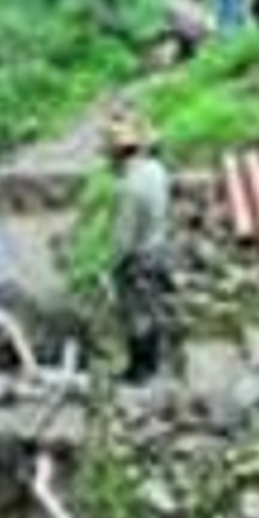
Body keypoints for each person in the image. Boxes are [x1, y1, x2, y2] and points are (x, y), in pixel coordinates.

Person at [104, 110, 173, 380]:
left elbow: (123, 239)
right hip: (158, 247)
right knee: (152, 309)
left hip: (138, 258)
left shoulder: (129, 188)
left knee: (135, 315)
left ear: (118, 156)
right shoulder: (156, 171)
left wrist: (110, 268)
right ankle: (154, 364)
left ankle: (139, 370)